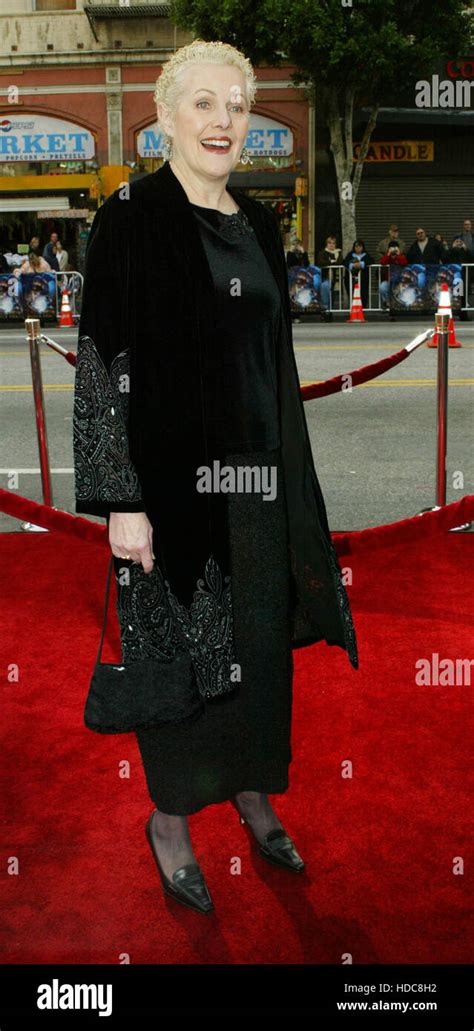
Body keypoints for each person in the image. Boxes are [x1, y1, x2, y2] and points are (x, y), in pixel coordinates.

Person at [72, 38, 358, 916]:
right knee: (186, 656)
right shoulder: (131, 217)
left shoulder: (261, 224)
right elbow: (98, 362)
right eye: (204, 103)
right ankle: (169, 818)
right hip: (170, 495)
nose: (224, 119)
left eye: (237, 104)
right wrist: (121, 500)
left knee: (258, 650)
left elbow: (272, 358)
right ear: (164, 116)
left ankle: (250, 790)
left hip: (259, 485)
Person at [316, 234, 343, 317]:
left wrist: (331, 262)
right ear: (326, 244)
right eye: (329, 243)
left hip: (335, 278)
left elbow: (340, 262)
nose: (331, 245)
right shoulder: (322, 252)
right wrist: (331, 262)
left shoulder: (338, 252)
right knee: (325, 287)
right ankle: (325, 308)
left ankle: (328, 311)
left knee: (333, 295)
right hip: (324, 277)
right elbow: (320, 262)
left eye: (333, 243)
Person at [343, 238, 372, 308]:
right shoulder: (350, 255)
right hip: (351, 279)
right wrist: (352, 265)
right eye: (356, 246)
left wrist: (362, 264)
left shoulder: (366, 255)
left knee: (363, 294)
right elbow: (344, 262)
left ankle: (363, 308)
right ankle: (354, 308)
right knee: (352, 293)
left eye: (360, 246)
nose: (358, 248)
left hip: (363, 279)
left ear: (363, 247)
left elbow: (371, 261)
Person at [379, 243, 408, 309]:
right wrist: (388, 254)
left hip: (399, 281)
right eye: (392, 248)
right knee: (382, 287)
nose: (393, 250)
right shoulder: (387, 256)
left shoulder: (401, 256)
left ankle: (400, 307)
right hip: (388, 280)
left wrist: (398, 254)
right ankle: (387, 303)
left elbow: (404, 262)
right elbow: (382, 262)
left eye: (395, 248)